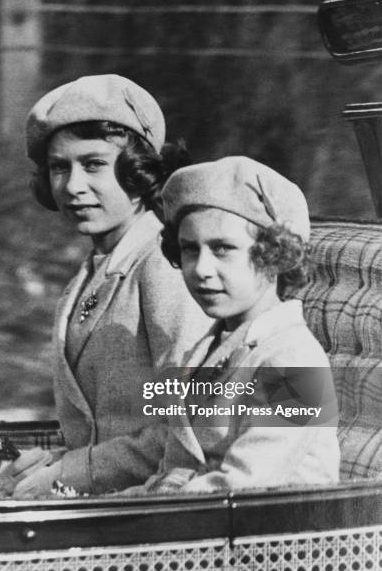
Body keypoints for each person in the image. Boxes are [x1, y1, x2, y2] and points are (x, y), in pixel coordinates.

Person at [0, 74, 211, 497]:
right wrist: (54, 463)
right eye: (60, 167)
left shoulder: (165, 265)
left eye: (93, 164)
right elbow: (103, 429)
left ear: (139, 169)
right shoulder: (91, 273)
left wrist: (71, 472)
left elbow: (192, 426)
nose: (73, 187)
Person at [127, 156, 340, 495]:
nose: (201, 269)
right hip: (202, 526)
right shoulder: (206, 350)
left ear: (274, 255)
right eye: (189, 250)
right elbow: (179, 467)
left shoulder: (294, 359)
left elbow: (246, 483)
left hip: (278, 537)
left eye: (222, 249)